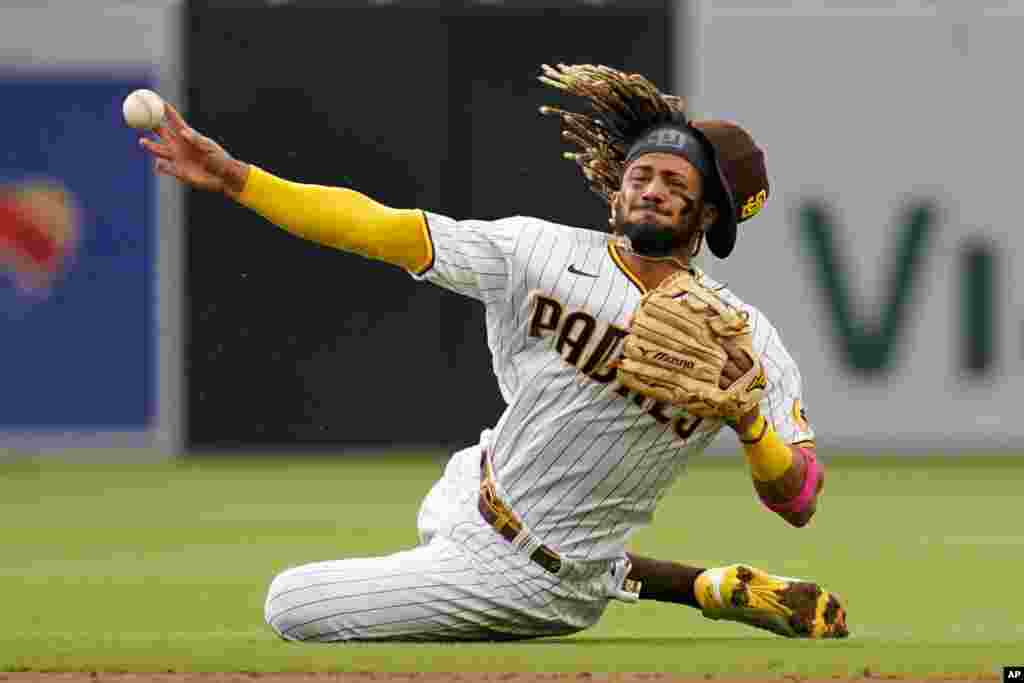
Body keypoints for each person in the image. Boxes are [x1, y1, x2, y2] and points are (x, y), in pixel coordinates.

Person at [139, 64, 848, 642]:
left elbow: (801, 496)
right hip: (471, 487)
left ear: (710, 216)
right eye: (642, 174)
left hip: (532, 582)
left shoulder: (745, 339)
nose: (653, 189)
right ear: (615, 191)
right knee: (459, 491)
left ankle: (601, 580)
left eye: (677, 184)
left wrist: (752, 424)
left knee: (290, 602)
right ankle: (703, 585)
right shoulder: (537, 251)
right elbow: (377, 228)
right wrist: (237, 178)